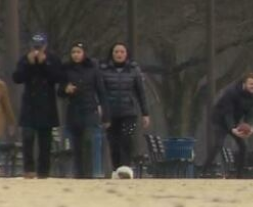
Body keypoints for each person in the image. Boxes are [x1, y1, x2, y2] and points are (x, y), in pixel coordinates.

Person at [13, 33, 63, 178]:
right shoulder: (25, 59)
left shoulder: (52, 59)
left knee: (45, 141)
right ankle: (29, 169)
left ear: (45, 46)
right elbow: (17, 78)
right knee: (27, 137)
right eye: (35, 46)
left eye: (40, 47)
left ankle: (43, 171)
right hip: (29, 104)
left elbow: (57, 77)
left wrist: (44, 63)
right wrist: (29, 64)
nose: (37, 49)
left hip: (46, 105)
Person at [58, 43, 109, 178]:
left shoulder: (93, 69)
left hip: (89, 110)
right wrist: (65, 90)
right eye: (73, 52)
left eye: (78, 52)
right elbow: (60, 92)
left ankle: (88, 173)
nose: (76, 54)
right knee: (77, 144)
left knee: (88, 141)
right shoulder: (66, 69)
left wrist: (106, 115)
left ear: (84, 53)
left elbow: (101, 92)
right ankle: (79, 173)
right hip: (73, 111)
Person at [100, 43, 150, 170]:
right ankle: (116, 168)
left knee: (127, 140)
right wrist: (100, 107)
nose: (119, 54)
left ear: (126, 54)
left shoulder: (134, 70)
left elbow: (141, 93)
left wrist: (145, 113)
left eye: (122, 52)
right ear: (112, 53)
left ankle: (126, 167)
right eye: (116, 52)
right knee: (113, 142)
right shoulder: (104, 70)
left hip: (129, 113)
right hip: (110, 113)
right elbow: (100, 91)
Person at [201, 73, 253, 178]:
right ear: (244, 83)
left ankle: (239, 175)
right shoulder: (231, 93)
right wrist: (232, 128)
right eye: (251, 84)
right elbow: (227, 113)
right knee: (218, 144)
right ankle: (204, 171)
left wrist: (250, 127)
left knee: (243, 146)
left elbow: (251, 115)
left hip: (234, 122)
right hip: (219, 120)